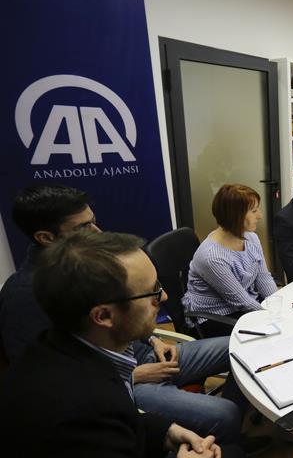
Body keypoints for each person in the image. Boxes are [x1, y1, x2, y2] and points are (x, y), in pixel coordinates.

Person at [0, 231, 257, 458]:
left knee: (233, 457)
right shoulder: (77, 410)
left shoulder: (65, 347)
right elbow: (106, 425)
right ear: (103, 316)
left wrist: (166, 431)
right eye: (153, 292)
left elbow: (122, 420)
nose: (165, 296)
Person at [0, 184, 244, 443]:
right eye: (83, 227)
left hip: (146, 354)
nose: (97, 232)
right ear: (46, 238)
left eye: (93, 221)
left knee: (242, 348)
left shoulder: (93, 262)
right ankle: (223, 448)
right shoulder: (23, 296)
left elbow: (125, 312)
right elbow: (44, 380)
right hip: (123, 382)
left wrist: (152, 338)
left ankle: (223, 439)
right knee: (225, 414)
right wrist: (133, 374)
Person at [182, 183, 278, 336]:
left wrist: (278, 304)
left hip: (244, 304)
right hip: (216, 316)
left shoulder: (251, 238)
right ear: (236, 216)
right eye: (254, 211)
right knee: (273, 334)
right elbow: (241, 301)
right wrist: (274, 315)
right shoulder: (212, 257)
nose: (259, 216)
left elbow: (263, 278)